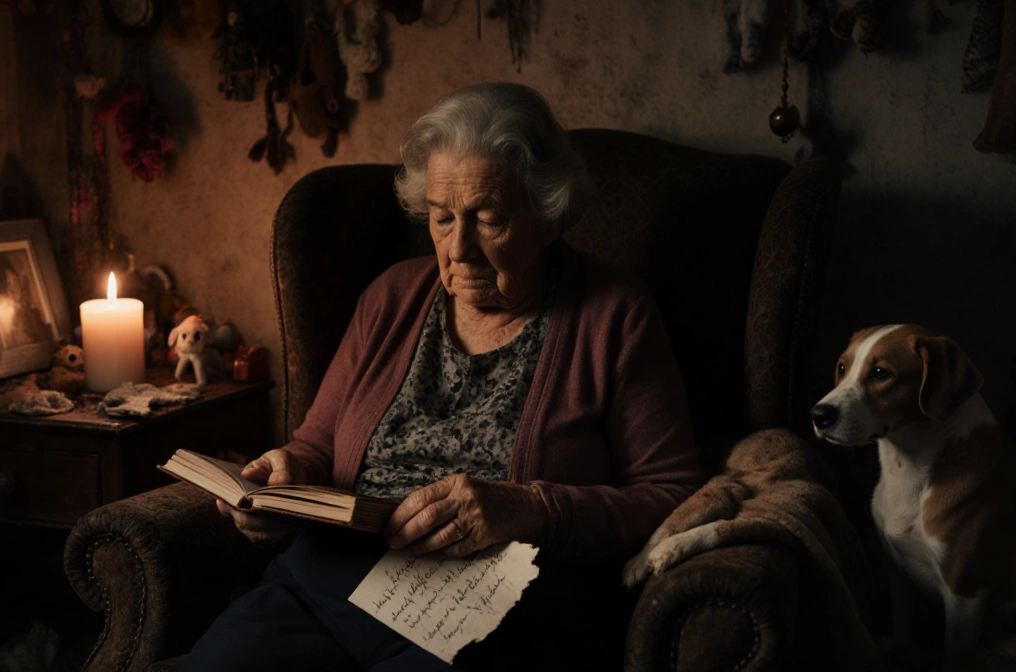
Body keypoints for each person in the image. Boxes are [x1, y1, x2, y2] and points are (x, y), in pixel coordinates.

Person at [182, 82, 706, 671]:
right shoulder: (390, 297)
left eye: (489, 219)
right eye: (442, 217)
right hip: (327, 581)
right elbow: (318, 446)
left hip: (485, 607)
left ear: (549, 217)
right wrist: (284, 475)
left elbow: (672, 493)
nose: (459, 248)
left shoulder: (613, 314)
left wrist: (533, 508)